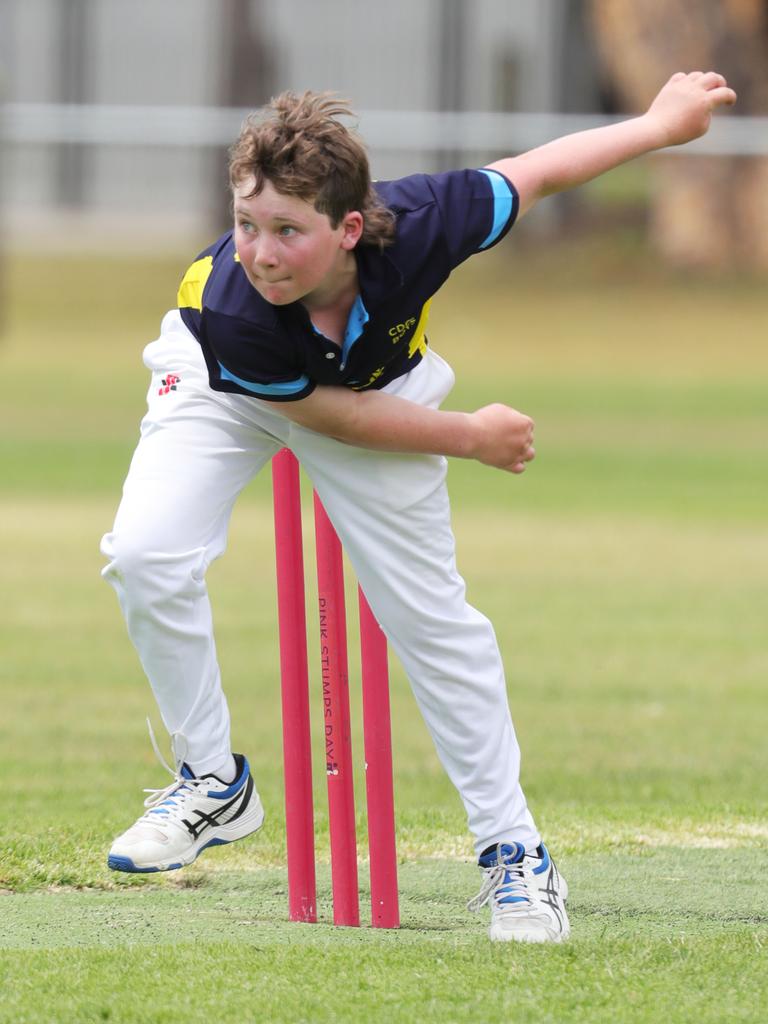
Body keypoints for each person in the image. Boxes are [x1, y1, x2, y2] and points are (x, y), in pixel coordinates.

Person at [101, 71, 736, 942]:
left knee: (433, 622)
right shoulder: (233, 305)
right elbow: (332, 420)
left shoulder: (426, 222)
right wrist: (467, 436)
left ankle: (516, 856)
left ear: (350, 227)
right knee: (144, 554)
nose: (261, 252)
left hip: (378, 381)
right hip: (233, 386)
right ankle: (213, 781)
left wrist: (661, 126)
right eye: (247, 225)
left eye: (288, 230)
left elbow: (536, 171)